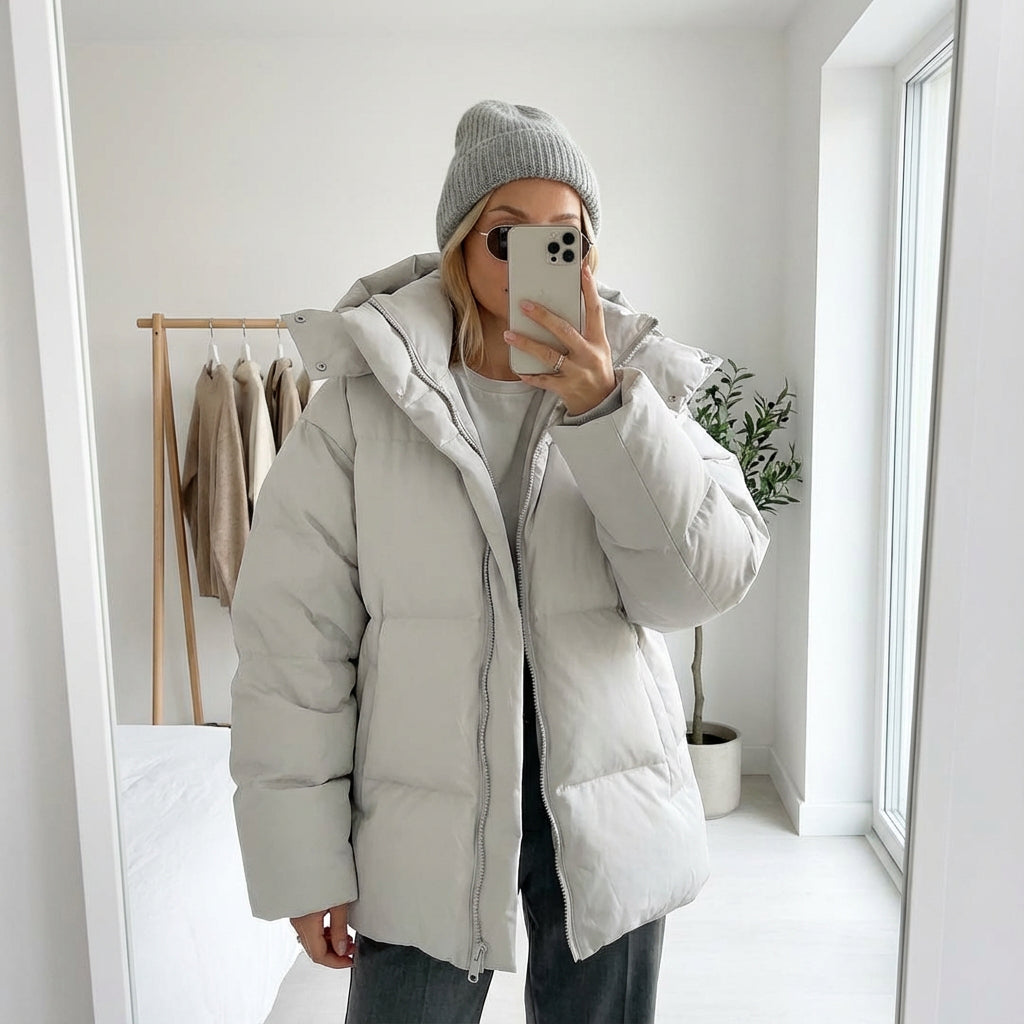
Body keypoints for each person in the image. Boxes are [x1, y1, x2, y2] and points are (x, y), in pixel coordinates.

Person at [228, 99, 771, 1024]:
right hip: (418, 811)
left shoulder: (640, 381)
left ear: (586, 253)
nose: (533, 259)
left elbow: (702, 583)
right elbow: (294, 642)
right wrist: (304, 858)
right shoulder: (363, 400)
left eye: (563, 236)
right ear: (459, 246)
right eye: (505, 233)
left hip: (608, 798)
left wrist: (608, 412)